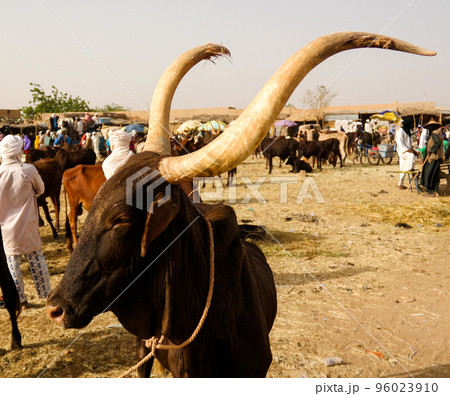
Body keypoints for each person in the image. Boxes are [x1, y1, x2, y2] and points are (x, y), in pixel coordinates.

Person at [0, 135, 51, 308]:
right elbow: (41, 189)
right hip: (27, 223)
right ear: (18, 151)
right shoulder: (27, 170)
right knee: (36, 257)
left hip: (5, 228)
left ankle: (20, 300)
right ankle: (46, 295)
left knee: (12, 263)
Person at [420, 121, 444, 195]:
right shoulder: (439, 133)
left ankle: (429, 189)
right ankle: (435, 189)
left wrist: (431, 150)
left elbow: (437, 143)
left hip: (433, 157)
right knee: (435, 174)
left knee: (429, 173)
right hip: (438, 157)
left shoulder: (434, 133)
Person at [395, 119, 418, 190]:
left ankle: (401, 184)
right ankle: (410, 170)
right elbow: (400, 143)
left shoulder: (407, 131)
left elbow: (409, 144)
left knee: (402, 167)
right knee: (411, 156)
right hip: (402, 152)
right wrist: (408, 150)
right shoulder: (400, 131)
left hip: (408, 151)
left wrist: (412, 150)